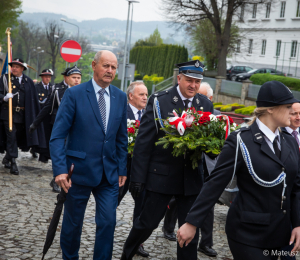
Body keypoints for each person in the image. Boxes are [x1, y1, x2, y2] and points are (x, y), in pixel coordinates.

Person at [177, 81, 300, 260]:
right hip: (248, 234)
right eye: (288, 106)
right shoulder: (241, 141)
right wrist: (192, 222)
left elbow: (296, 187)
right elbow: (215, 183)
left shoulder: (288, 141)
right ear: (270, 109)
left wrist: (297, 223)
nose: (293, 110)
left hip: (280, 235)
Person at [120, 60, 214, 260]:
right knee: (147, 223)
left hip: (191, 181)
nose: (193, 86)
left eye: (197, 82)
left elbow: (210, 142)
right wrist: (137, 178)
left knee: (189, 232)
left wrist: (215, 148)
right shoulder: (159, 100)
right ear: (179, 78)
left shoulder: (205, 104)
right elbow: (144, 142)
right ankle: (127, 254)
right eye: (189, 80)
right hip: (161, 178)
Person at [50, 50, 128, 260]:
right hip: (77, 172)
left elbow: (121, 138)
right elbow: (57, 136)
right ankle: (70, 257)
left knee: (108, 222)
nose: (109, 70)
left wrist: (122, 168)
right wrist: (59, 170)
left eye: (113, 67)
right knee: (73, 223)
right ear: (94, 65)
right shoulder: (75, 94)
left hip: (108, 174)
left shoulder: (120, 97)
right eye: (105, 66)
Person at [163, 81, 219, 257]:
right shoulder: (176, 107)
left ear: (208, 98)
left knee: (206, 207)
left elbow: (215, 144)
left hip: (205, 169)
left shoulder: (211, 112)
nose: (196, 95)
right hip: (183, 170)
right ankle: (169, 227)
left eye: (201, 93)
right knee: (174, 202)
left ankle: (206, 242)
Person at [29, 65, 82, 193]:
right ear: (66, 78)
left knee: (71, 154)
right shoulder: (58, 91)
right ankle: (57, 178)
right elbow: (47, 107)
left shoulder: (83, 92)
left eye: (79, 78)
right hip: (59, 127)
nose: (76, 80)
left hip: (76, 130)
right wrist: (35, 123)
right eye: (74, 77)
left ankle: (64, 178)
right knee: (60, 153)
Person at [118, 81, 149, 257]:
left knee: (142, 209)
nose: (145, 97)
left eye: (146, 94)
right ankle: (105, 234)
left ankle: (138, 242)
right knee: (112, 202)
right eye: (141, 94)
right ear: (131, 96)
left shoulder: (149, 115)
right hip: (122, 168)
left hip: (142, 172)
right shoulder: (122, 112)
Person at [0, 58, 46, 175]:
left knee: (18, 136)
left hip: (23, 115)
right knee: (11, 136)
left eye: (17, 66)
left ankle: (7, 157)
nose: (14, 68)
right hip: (8, 113)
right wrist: (4, 97)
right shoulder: (5, 79)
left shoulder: (28, 81)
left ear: (22, 69)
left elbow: (32, 99)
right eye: (13, 66)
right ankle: (13, 162)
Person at [280, 102, 300, 260]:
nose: (298, 117)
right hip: (286, 198)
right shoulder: (278, 135)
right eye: (294, 113)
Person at [32, 69, 54, 162]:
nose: (47, 78)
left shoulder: (53, 87)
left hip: (48, 115)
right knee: (38, 134)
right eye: (45, 76)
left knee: (46, 135)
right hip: (39, 114)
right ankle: (35, 148)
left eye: (49, 77)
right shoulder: (36, 87)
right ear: (42, 77)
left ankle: (44, 154)